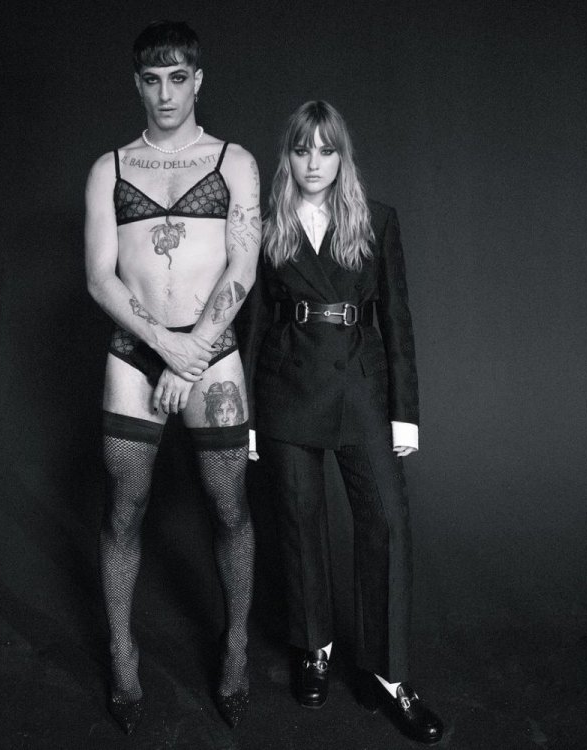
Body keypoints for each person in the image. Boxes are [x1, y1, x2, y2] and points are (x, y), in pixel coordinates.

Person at [244, 101, 443, 743]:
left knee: (386, 522)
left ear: (342, 156)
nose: (314, 162)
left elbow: (398, 321)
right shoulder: (266, 225)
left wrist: (404, 414)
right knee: (300, 523)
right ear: (289, 156)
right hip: (286, 389)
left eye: (326, 150)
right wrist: (246, 415)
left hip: (361, 389)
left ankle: (387, 673)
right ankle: (315, 648)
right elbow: (253, 322)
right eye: (302, 149)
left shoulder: (376, 219)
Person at [84, 21, 260, 734]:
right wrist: (165, 347)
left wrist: (193, 353)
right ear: (137, 84)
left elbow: (243, 265)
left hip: (212, 352)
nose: (165, 93)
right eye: (152, 80)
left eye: (178, 78)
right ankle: (121, 655)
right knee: (124, 509)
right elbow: (99, 277)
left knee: (229, 507)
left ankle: (236, 645)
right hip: (136, 350)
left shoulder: (233, 161)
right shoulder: (110, 168)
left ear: (198, 81)